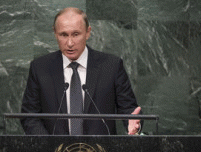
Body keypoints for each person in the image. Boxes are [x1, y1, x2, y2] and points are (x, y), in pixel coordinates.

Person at [20, 7, 142, 135]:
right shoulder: (40, 68)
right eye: (63, 35)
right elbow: (29, 116)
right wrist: (49, 145)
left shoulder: (111, 66)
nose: (70, 43)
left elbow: (130, 110)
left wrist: (134, 125)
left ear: (88, 32)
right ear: (55, 33)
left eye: (76, 34)